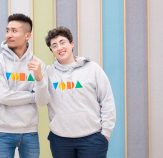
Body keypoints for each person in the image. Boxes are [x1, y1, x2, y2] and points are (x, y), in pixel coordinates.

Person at [44, 26, 116, 158]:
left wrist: (105, 133)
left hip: (92, 140)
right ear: (51, 51)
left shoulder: (92, 68)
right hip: (60, 141)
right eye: (54, 45)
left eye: (62, 42)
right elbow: (40, 98)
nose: (59, 47)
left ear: (72, 44)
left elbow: (107, 100)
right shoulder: (48, 73)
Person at [0, 13, 49, 158]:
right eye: (7, 30)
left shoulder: (38, 64)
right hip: (3, 132)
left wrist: (40, 79)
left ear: (27, 35)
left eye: (14, 31)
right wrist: (32, 96)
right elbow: (3, 97)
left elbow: (42, 101)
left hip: (30, 132)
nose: (9, 35)